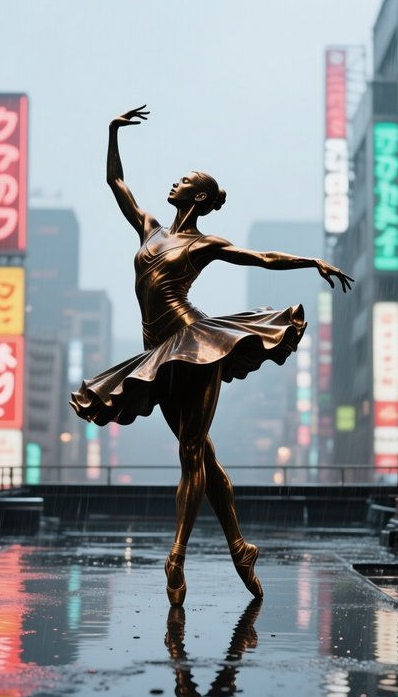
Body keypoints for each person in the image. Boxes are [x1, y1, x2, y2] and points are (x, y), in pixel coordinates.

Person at [70, 105, 353, 606]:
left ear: (198, 197)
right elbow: (116, 182)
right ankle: (239, 546)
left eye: (184, 181)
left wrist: (311, 260)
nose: (174, 183)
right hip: (156, 350)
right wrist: (112, 131)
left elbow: (262, 258)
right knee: (204, 455)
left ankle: (176, 556)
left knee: (190, 452)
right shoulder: (151, 228)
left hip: (194, 344)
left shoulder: (204, 243)